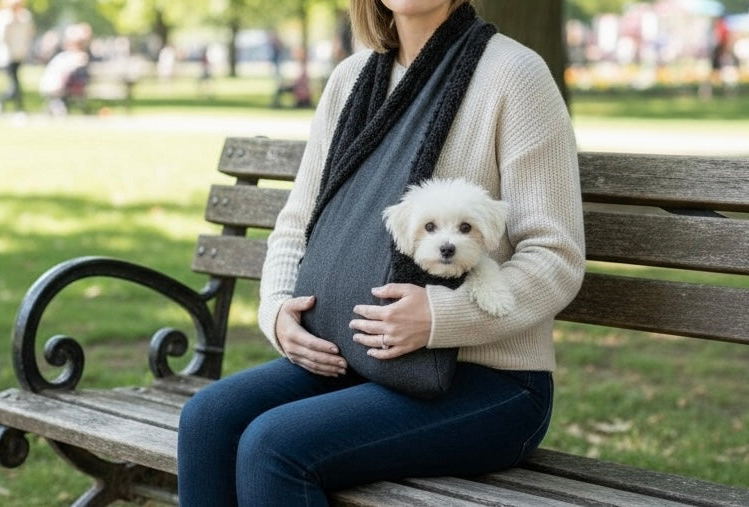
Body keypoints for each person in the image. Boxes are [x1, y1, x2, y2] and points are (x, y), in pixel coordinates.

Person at [177, 1, 585, 505]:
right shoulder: (352, 79)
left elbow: (556, 256)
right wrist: (278, 309)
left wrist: (439, 316)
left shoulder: (515, 76)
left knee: (273, 446)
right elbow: (298, 221)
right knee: (207, 419)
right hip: (357, 358)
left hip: (490, 381)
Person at [0, 0, 34, 116]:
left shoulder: (25, 16)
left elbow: (29, 32)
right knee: (14, 82)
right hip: (6, 55)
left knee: (14, 82)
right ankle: (19, 109)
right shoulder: (3, 17)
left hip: (20, 53)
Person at [38, 23, 92, 116]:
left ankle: (55, 106)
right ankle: (57, 107)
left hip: (52, 84)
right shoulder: (75, 57)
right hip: (58, 85)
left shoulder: (65, 56)